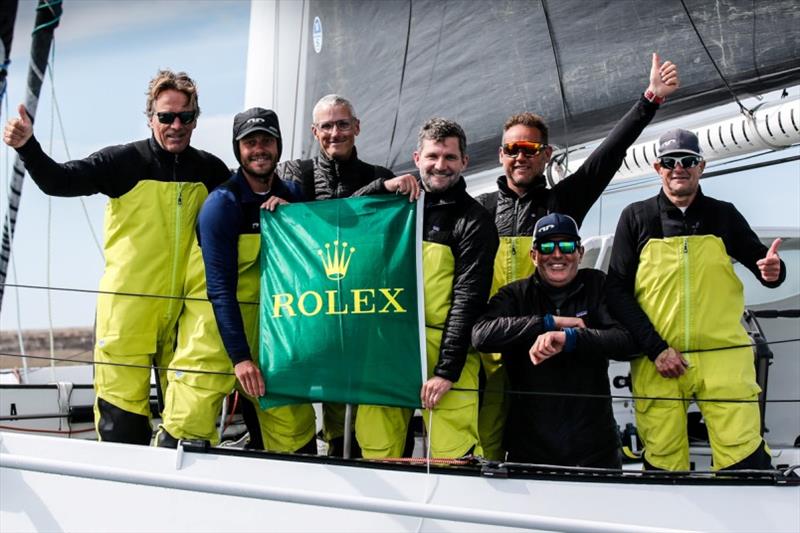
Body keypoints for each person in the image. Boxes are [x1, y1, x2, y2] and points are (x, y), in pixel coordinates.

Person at [2, 70, 230, 445]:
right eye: (166, 117)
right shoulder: (124, 161)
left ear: (195, 118)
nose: (176, 125)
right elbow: (60, 181)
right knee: (122, 422)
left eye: (185, 117)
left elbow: (249, 201)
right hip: (128, 310)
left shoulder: (210, 170)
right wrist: (28, 146)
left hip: (187, 316)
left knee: (190, 418)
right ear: (150, 117)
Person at [474, 53, 680, 460]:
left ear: (546, 154)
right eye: (513, 148)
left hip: (553, 342)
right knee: (484, 445)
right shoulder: (477, 209)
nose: (521, 156)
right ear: (500, 154)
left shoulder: (561, 200)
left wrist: (650, 99)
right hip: (496, 342)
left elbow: (608, 156)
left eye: (530, 148)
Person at [606, 128, 786, 471]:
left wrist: (775, 272)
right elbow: (616, 289)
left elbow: (766, 267)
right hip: (658, 358)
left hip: (723, 357)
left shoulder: (724, 215)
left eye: (688, 161)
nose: (679, 168)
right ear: (658, 168)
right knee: (662, 463)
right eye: (670, 162)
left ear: (701, 166)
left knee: (744, 459)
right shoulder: (636, 217)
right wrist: (656, 349)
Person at [155, 108, 317, 453]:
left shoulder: (295, 198)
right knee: (185, 429)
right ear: (238, 149)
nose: (259, 149)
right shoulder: (221, 205)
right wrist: (240, 358)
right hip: (213, 334)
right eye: (250, 142)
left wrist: (291, 218)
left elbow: (335, 233)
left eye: (267, 141)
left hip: (275, 337)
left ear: (278, 145)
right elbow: (219, 289)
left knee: (296, 436)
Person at [276, 93, 418, 456]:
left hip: (363, 322)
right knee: (308, 417)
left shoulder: (379, 177)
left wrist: (382, 189)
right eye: (326, 126)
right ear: (314, 131)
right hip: (311, 320)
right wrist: (276, 207)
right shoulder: (293, 175)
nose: (334, 132)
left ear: (357, 127)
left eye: (342, 124)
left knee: (353, 432)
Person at [355, 118, 499, 459]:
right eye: (433, 156)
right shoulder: (392, 206)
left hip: (446, 348)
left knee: (453, 452)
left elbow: (469, 300)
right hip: (387, 345)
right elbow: (343, 219)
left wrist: (446, 372)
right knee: (376, 446)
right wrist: (381, 187)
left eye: (450, 157)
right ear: (417, 157)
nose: (441, 165)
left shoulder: (474, 221)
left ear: (464, 162)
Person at [471, 213, 638, 467]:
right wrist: (547, 323)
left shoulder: (597, 285)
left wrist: (571, 338)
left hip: (595, 447)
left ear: (580, 252)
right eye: (547, 246)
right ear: (533, 255)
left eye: (567, 246)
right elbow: (481, 335)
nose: (557, 254)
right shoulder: (515, 294)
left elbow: (628, 341)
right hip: (530, 449)